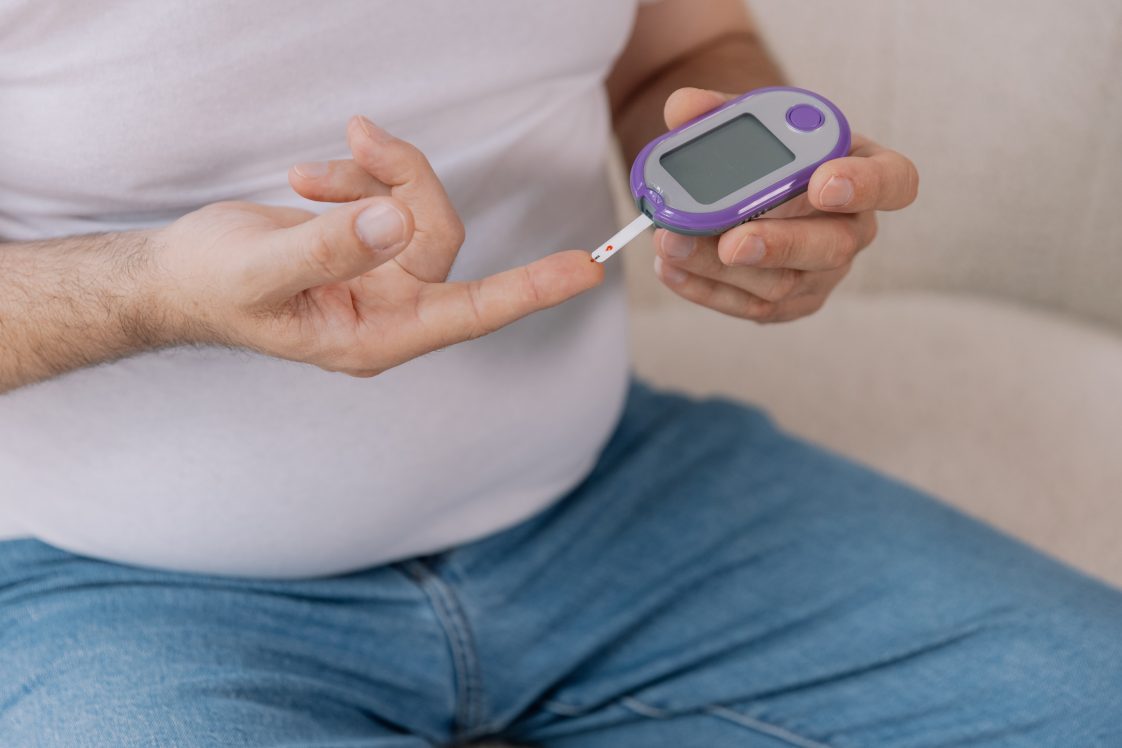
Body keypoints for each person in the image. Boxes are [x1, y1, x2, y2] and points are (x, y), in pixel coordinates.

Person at [0, 1, 1118, 745]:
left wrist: (737, 170)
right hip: (106, 582)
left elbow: (680, 47)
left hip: (613, 504)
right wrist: (150, 288)